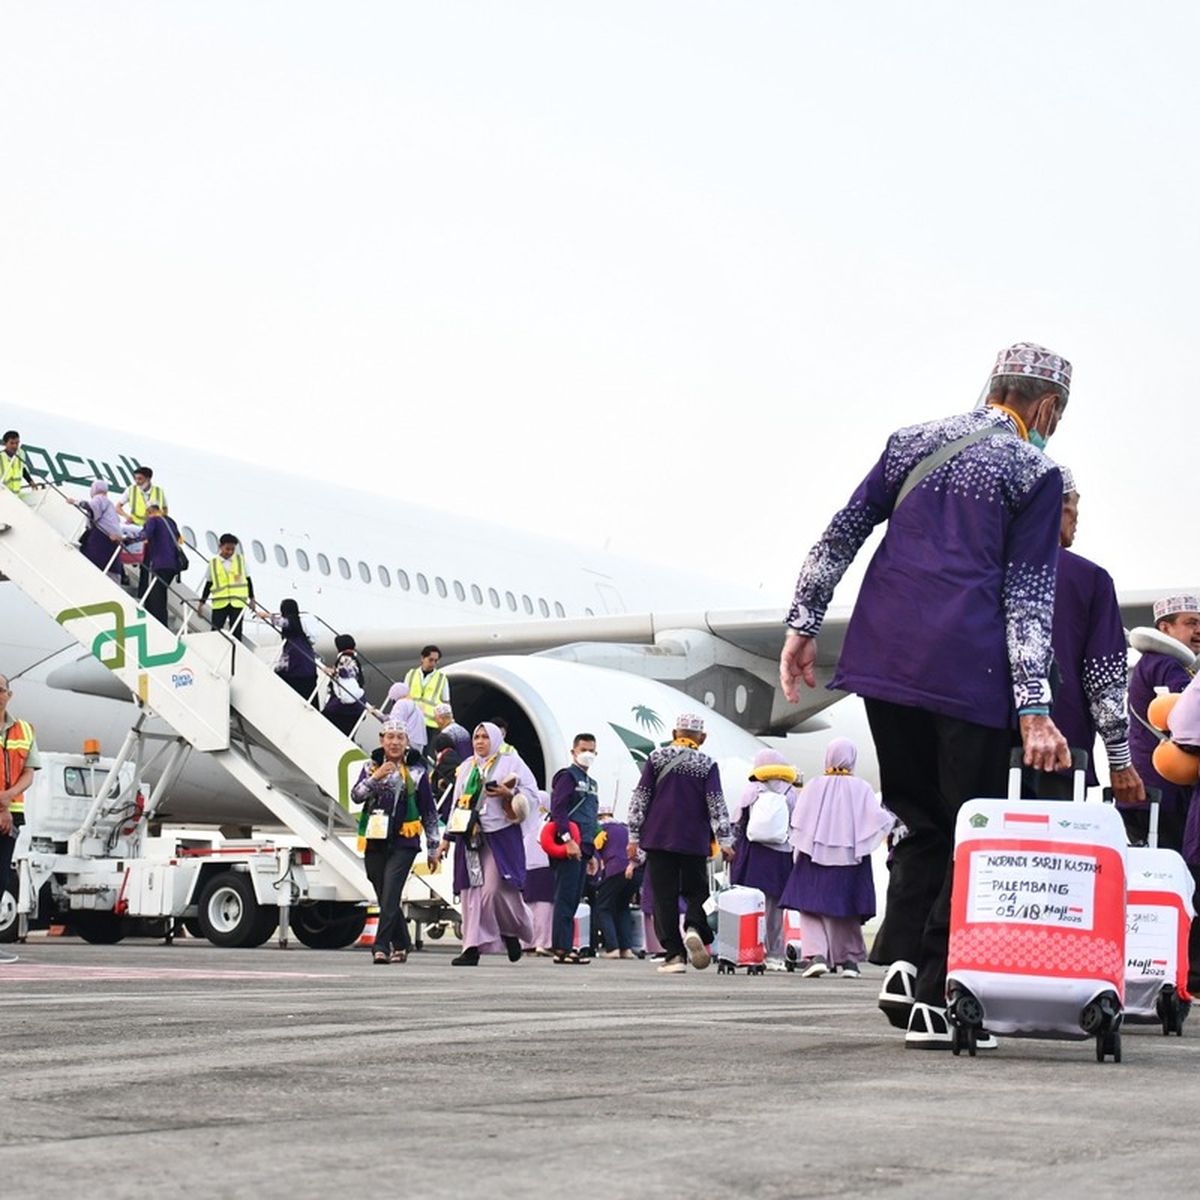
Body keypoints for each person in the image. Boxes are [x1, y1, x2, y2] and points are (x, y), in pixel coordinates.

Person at [779, 340, 1072, 1049]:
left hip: (885, 658)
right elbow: (1029, 597)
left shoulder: (910, 440)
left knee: (918, 820)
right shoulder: (1036, 470)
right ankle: (938, 995)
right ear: (1045, 406)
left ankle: (905, 966)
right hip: (966, 672)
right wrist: (1035, 707)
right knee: (966, 823)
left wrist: (803, 622)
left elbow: (840, 534)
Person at [1033, 469, 1144, 803]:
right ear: (1057, 508)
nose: (1076, 519)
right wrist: (1120, 761)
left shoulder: (986, 566)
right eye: (1074, 507)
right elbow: (1104, 678)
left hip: (977, 744)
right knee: (1049, 853)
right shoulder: (1089, 578)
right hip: (1059, 750)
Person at [626, 713, 733, 975]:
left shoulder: (656, 758)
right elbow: (716, 803)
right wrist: (726, 840)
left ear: (675, 734)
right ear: (702, 737)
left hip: (658, 838)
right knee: (696, 890)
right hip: (693, 840)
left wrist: (633, 837)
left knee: (664, 897)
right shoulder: (707, 764)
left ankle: (675, 956)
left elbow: (640, 798)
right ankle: (695, 927)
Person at [781, 738, 892, 978]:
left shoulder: (813, 785)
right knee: (846, 908)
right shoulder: (861, 787)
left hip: (813, 856)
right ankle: (849, 961)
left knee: (810, 907)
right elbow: (878, 819)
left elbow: (798, 821)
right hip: (852, 858)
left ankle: (816, 955)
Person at [441, 722, 535, 966]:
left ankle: (512, 930)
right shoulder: (466, 767)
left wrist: (508, 793)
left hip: (500, 835)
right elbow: (455, 804)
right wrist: (446, 839)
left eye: (485, 737)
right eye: (476, 737)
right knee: (471, 892)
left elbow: (532, 796)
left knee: (492, 891)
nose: (480, 741)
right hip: (470, 835)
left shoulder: (511, 762)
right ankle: (471, 947)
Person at [351, 721, 441, 964]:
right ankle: (402, 942)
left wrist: (434, 848)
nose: (394, 742)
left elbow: (429, 812)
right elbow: (356, 796)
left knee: (391, 893)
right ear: (382, 740)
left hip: (405, 840)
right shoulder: (369, 767)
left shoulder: (418, 771)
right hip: (375, 838)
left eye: (400, 737)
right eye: (390, 737)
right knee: (382, 891)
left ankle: (381, 947)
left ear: (407, 742)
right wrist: (376, 778)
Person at [1125, 594, 1200, 849]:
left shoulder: (1151, 663)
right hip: (1163, 795)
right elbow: (1187, 718)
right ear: (1164, 628)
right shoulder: (1167, 664)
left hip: (1144, 794)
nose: (1198, 630)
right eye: (1190, 623)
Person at [729, 749, 802, 970]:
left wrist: (730, 847)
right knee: (774, 909)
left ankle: (746, 951)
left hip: (752, 853)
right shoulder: (790, 791)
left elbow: (737, 822)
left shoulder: (751, 789)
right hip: (780, 855)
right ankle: (774, 955)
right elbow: (797, 822)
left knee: (748, 904)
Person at [548, 733, 601, 964]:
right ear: (574, 752)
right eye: (583, 749)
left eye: (592, 750)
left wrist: (592, 854)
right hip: (569, 845)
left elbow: (591, 819)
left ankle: (567, 946)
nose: (587, 754)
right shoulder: (567, 777)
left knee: (574, 898)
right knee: (565, 897)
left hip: (584, 847)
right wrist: (567, 839)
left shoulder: (592, 783)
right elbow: (558, 809)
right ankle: (562, 947)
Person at [0, 676, 40, 926]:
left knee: (1, 877)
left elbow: (29, 771)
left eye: (0, 690)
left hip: (11, 813)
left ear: (9, 695)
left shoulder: (24, 729)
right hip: (5, 811)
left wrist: (7, 797)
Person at [592, 803, 640, 958]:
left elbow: (597, 852)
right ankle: (626, 948)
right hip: (635, 870)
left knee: (603, 907)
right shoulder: (625, 828)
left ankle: (612, 948)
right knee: (622, 907)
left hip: (615, 869)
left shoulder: (601, 830)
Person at [200, 533, 254, 643]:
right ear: (220, 547)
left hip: (237, 602)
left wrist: (252, 598)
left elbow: (248, 580)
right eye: (227, 549)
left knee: (237, 631)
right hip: (220, 602)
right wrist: (202, 602)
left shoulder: (241, 561)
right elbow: (209, 583)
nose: (230, 552)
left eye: (232, 549)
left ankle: (236, 654)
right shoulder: (213, 563)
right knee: (216, 630)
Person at [267, 598, 321, 703]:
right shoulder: (302, 629)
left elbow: (282, 622)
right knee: (310, 699)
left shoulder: (293, 623)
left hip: (296, 670)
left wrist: (267, 616)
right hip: (309, 668)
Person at [521, 790, 555, 955]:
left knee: (527, 907)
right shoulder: (549, 821)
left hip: (527, 867)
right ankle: (542, 942)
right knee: (545, 909)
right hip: (546, 866)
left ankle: (527, 942)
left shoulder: (526, 820)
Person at [138, 503, 182, 628]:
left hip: (160, 563)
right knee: (160, 593)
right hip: (173, 565)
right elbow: (178, 538)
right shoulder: (170, 522)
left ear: (150, 511)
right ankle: (161, 623)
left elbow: (145, 535)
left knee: (156, 596)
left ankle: (160, 625)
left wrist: (127, 539)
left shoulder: (153, 520)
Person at [77, 480, 125, 580]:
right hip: (114, 542)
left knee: (89, 561)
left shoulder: (99, 498)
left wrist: (76, 502)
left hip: (101, 539)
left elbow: (91, 507)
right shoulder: (110, 504)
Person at [323, 634, 367, 736]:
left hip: (344, 708)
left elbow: (347, 671)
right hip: (355, 707)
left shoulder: (345, 658)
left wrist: (333, 671)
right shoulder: (354, 659)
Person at [405, 646, 449, 748]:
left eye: (436, 661)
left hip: (429, 724)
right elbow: (404, 696)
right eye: (430, 660)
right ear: (422, 658)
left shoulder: (442, 678)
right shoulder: (411, 674)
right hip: (411, 720)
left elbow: (446, 703)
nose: (433, 663)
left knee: (423, 753)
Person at [430, 731, 462, 820]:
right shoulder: (453, 755)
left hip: (448, 801)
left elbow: (451, 777)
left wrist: (444, 782)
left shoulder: (447, 758)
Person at [1, 430, 37, 495]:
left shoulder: (21, 453)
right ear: (5, 443)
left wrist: (30, 481)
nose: (15, 446)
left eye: (17, 443)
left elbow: (22, 469)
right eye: (11, 443)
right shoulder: (1, 457)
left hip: (15, 495)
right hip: (3, 495)